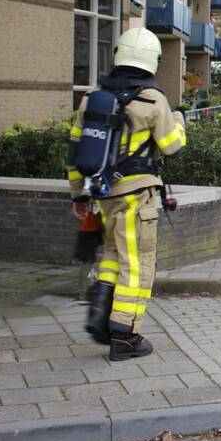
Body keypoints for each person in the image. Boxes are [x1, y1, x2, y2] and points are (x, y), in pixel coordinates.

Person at [68, 27, 187, 361]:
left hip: (103, 195)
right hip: (137, 196)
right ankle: (125, 335)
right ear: (153, 60)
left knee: (110, 256)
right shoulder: (153, 100)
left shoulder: (92, 98)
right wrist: (177, 119)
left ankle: (98, 315)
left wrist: (79, 195)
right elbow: (171, 146)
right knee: (137, 264)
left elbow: (76, 150)